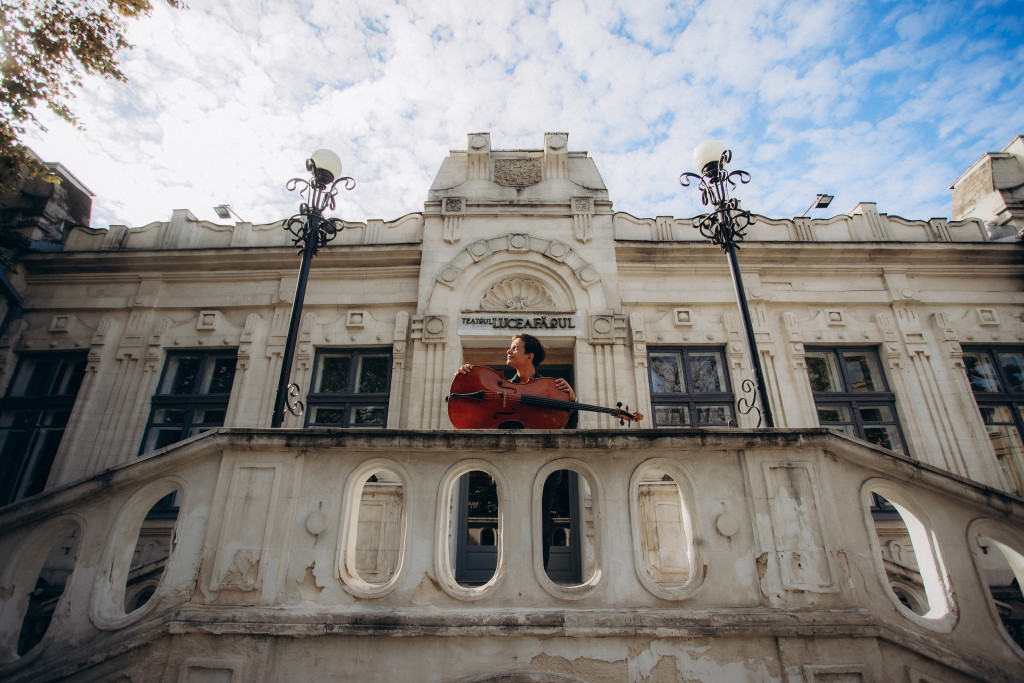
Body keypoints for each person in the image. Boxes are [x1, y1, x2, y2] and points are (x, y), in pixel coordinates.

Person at [457, 333, 575, 401]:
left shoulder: (549, 389)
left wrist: (572, 400)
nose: (508, 351)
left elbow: (567, 425)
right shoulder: (504, 387)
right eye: (510, 347)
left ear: (529, 356)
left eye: (515, 348)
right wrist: (466, 377)